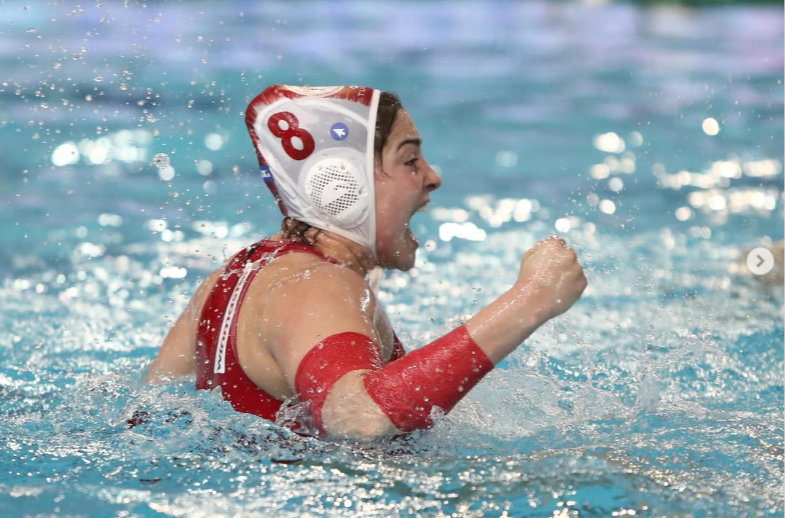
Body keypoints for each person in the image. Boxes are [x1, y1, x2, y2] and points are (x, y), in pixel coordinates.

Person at [145, 85, 588, 441]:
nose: (433, 177)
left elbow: (153, 412)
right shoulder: (316, 284)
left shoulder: (230, 277)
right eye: (410, 160)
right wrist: (530, 301)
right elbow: (359, 416)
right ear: (343, 187)